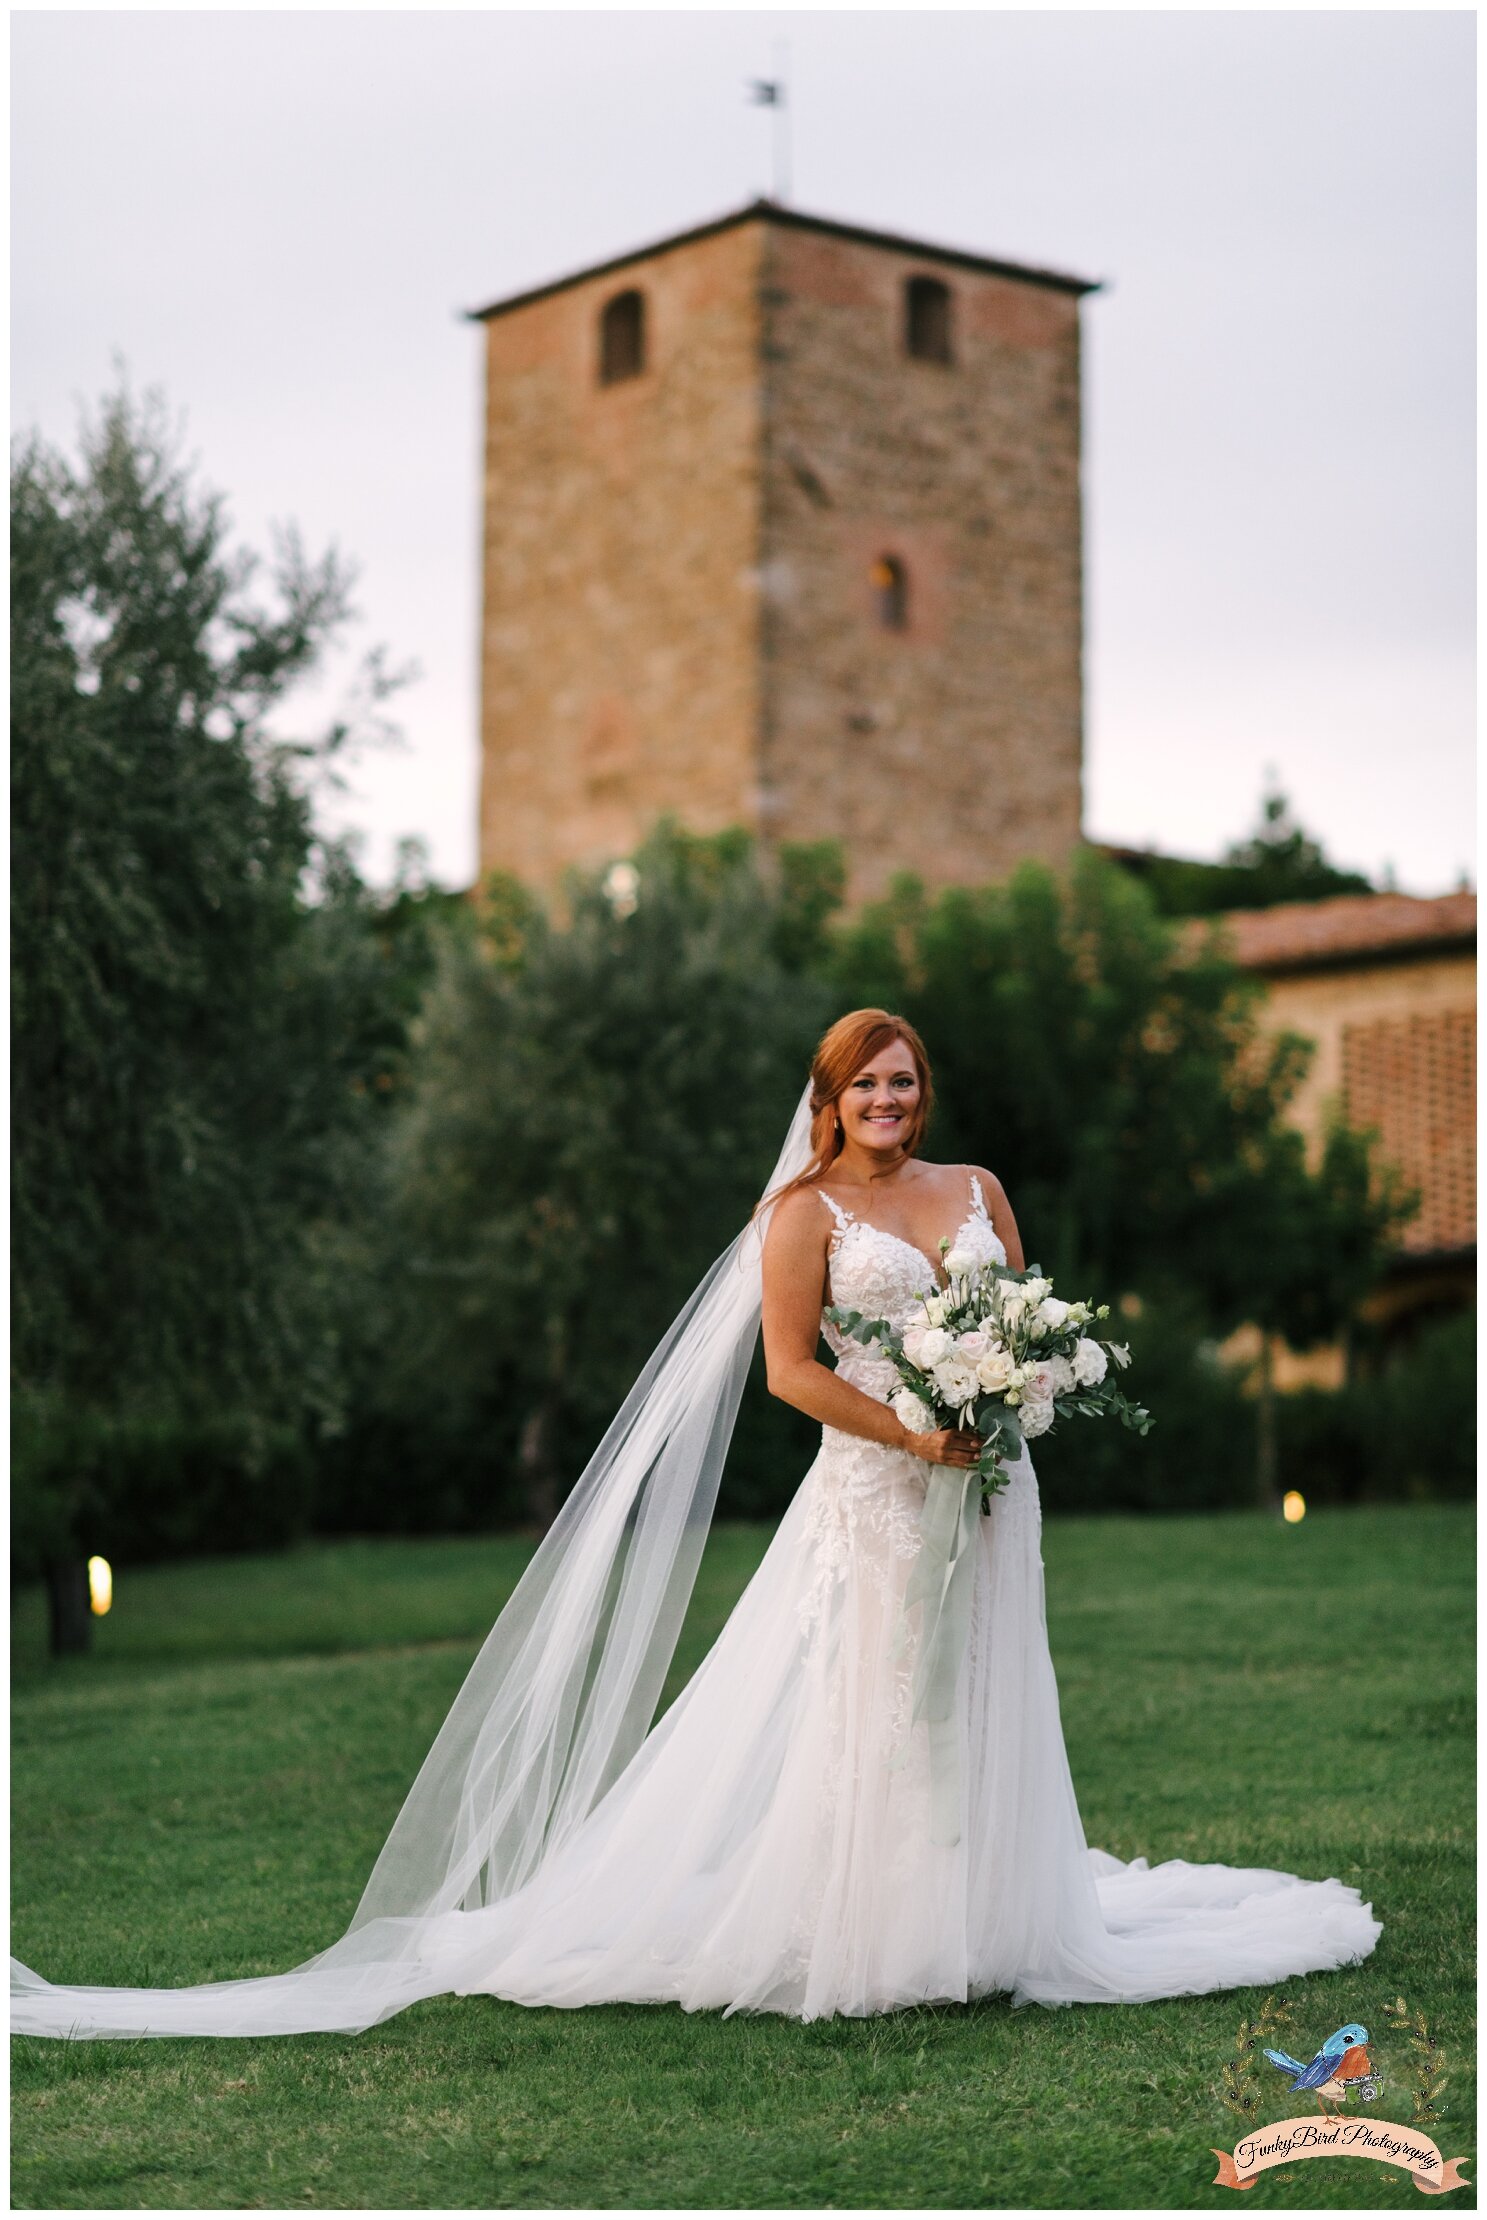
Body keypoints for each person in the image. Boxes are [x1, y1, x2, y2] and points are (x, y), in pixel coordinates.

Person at [11, 1008, 1381, 2038]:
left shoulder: (977, 1189)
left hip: (992, 1480)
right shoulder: (805, 1213)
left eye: (904, 1081)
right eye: (866, 1085)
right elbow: (791, 1367)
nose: (890, 1100)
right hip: (881, 1486)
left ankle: (993, 1914)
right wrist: (910, 1424)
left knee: (988, 1684)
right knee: (883, 1698)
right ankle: (884, 1929)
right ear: (830, 1101)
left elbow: (1019, 1312)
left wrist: (1014, 1394)